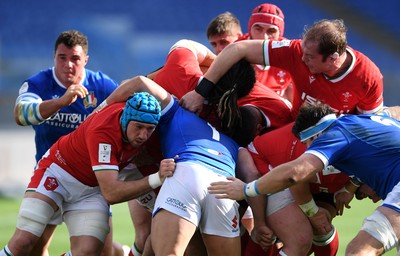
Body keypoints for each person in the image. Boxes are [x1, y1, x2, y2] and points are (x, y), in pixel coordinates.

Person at [208, 103, 400, 255]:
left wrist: (245, 190)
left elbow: (295, 174)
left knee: (359, 251)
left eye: (308, 143)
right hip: (264, 166)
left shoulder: (334, 134)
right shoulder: (365, 120)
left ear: (316, 135)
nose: (308, 149)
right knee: (300, 237)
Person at [0, 92, 176, 256]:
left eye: (149, 129)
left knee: (88, 252)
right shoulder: (104, 131)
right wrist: (156, 178)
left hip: (92, 188)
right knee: (23, 243)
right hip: (58, 173)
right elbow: (111, 193)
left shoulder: (144, 127)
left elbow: (135, 82)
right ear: (125, 118)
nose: (143, 135)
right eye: (138, 127)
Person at [106, 75, 254, 256]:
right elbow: (253, 175)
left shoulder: (178, 111)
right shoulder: (236, 147)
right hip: (223, 186)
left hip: (187, 172)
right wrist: (260, 222)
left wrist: (99, 110)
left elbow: (140, 82)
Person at [13, 30, 123, 256]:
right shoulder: (39, 84)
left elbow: (127, 118)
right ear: (54, 57)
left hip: (91, 184)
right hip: (51, 178)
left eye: (75, 59)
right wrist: (61, 102)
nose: (68, 65)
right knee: (34, 247)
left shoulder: (102, 87)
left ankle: (125, 252)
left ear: (85, 60)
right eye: (62, 58)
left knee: (104, 253)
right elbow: (21, 114)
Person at [182, 19, 384, 119]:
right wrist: (201, 92)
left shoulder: (369, 77)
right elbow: (237, 48)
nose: (303, 59)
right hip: (294, 130)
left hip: (334, 143)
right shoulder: (296, 51)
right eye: (303, 51)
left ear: (333, 58)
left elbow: (369, 125)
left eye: (310, 57)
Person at [247, 121, 360, 255]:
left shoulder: (354, 148)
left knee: (322, 227)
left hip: (299, 175)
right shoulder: (315, 152)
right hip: (268, 166)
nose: (376, 200)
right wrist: (314, 214)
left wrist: (351, 187)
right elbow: (295, 180)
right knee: (300, 240)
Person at [238, 3, 294, 101]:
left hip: (275, 110)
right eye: (258, 29)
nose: (264, 37)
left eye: (271, 31)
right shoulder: (236, 51)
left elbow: (293, 96)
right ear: (250, 29)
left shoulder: (290, 53)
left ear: (279, 34)